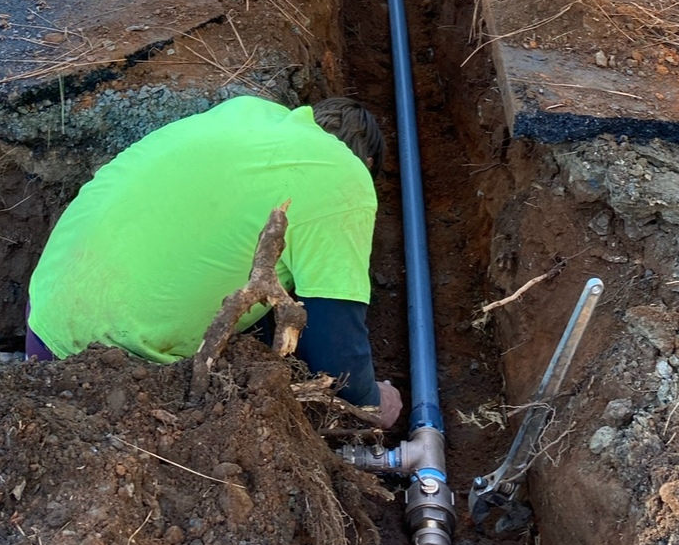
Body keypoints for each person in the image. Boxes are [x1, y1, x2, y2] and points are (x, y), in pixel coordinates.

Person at [25, 94, 403, 428]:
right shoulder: (345, 178)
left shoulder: (245, 113)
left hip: (45, 320)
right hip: (122, 371)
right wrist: (371, 401)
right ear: (366, 163)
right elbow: (334, 347)